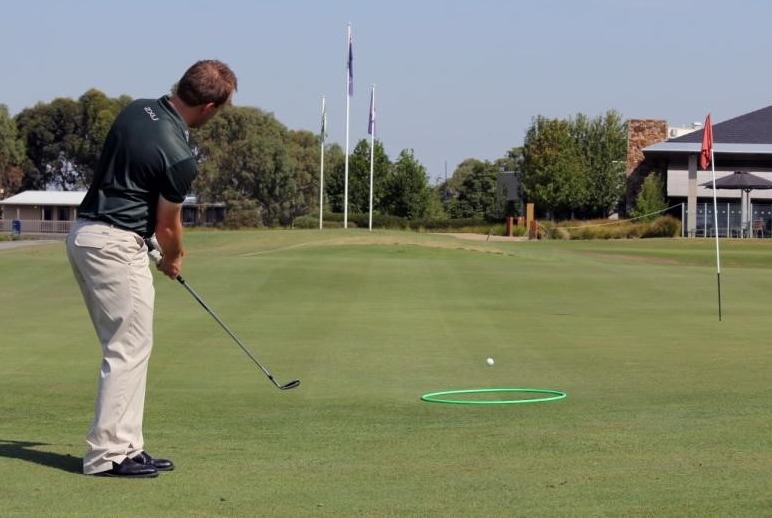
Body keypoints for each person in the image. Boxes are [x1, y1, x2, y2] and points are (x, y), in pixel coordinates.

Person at [66, 60, 237, 478]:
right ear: (210, 107)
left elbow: (133, 191)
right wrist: (174, 256)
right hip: (115, 245)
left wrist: (155, 249)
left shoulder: (136, 109)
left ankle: (127, 445)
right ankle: (106, 456)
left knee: (130, 348)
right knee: (126, 350)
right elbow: (167, 223)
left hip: (86, 235)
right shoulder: (180, 156)